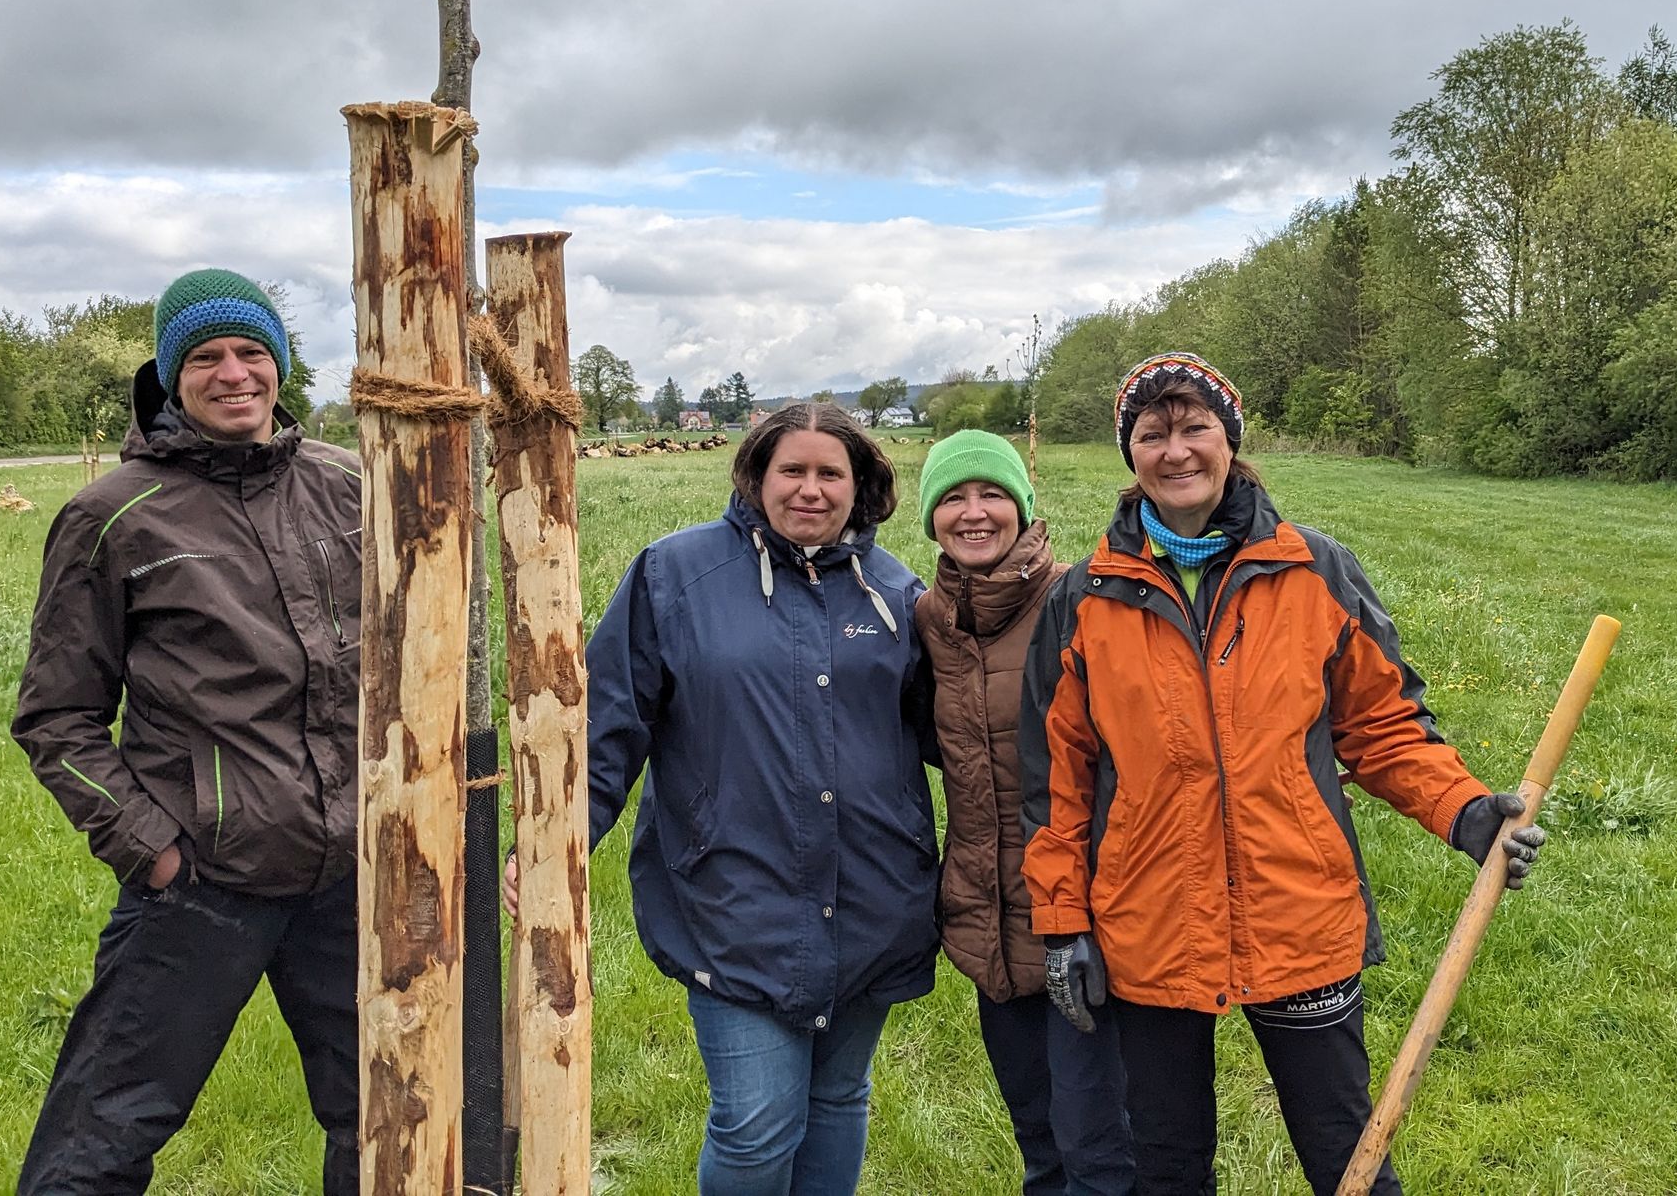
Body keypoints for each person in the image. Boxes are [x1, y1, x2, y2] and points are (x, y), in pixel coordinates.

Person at [1018, 353, 1545, 1196]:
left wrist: (1467, 812)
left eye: (1195, 428)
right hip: (1149, 921)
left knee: (1347, 1154)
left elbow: (1383, 727)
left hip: (1298, 913)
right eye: (1153, 434)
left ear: (1229, 440)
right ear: (1131, 455)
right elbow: (1055, 787)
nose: (1176, 450)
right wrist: (1061, 924)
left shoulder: (1318, 572)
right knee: (1165, 1161)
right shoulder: (1084, 599)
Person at [13, 269, 362, 1195]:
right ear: (172, 376)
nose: (233, 373)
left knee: (388, 1112)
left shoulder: (347, 486)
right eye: (205, 357)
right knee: (104, 1134)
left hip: (351, 877)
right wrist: (154, 849)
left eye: (252, 352)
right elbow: (56, 718)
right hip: (207, 881)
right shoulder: (113, 516)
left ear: (280, 365)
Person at [583, 402, 937, 1195]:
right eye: (793, 471)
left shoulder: (895, 593)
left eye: (829, 474)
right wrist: (556, 847)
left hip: (874, 894)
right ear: (756, 475)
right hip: (734, 897)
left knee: (840, 1098)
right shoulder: (676, 575)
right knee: (754, 1126)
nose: (810, 490)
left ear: (861, 485)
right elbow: (609, 725)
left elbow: (954, 734)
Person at [914, 431, 1136, 1196]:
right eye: (953, 497)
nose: (974, 513)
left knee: (1101, 1151)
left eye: (992, 494)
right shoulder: (929, 622)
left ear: (1025, 507)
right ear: (930, 516)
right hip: (989, 921)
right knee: (1040, 1143)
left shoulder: (1085, 600)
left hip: (1088, 917)